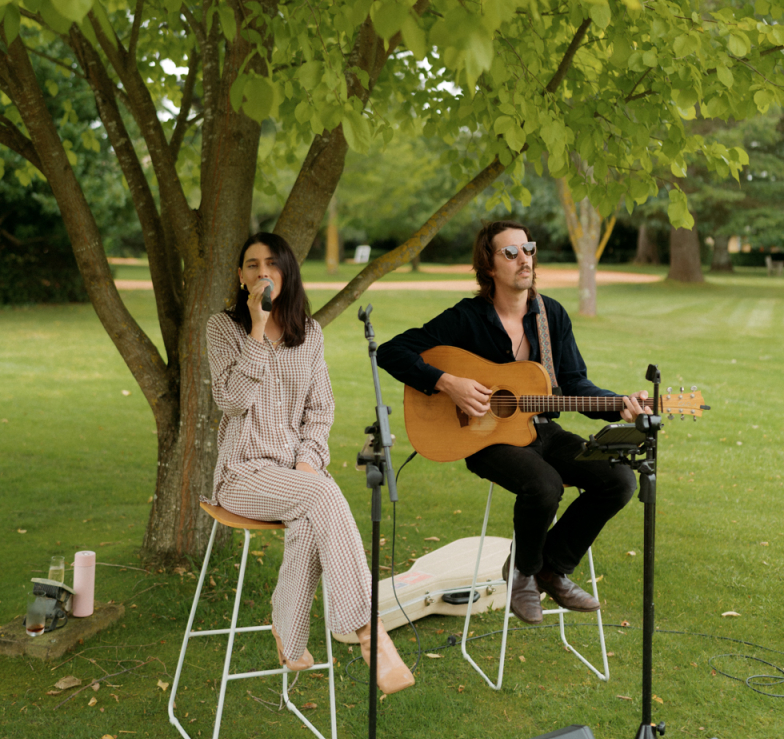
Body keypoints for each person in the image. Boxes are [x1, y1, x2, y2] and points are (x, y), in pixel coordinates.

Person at [376, 221, 651, 625]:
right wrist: (448, 382)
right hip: (484, 439)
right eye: (511, 252)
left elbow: (574, 383)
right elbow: (391, 351)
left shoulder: (550, 315)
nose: (525, 259)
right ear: (488, 266)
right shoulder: (466, 318)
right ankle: (524, 574)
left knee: (619, 480)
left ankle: (549, 569)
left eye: (529, 249)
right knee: (544, 485)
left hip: (543, 430)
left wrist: (620, 406)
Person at [205, 232, 413, 693]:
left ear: (287, 272)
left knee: (312, 509)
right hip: (241, 474)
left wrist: (308, 460)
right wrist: (256, 330)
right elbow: (231, 401)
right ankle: (370, 634)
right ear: (241, 277)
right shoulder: (222, 329)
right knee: (321, 494)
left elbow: (320, 410)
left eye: (271, 263)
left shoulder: (309, 333)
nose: (263, 272)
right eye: (252, 265)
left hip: (293, 476)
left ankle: (288, 629)